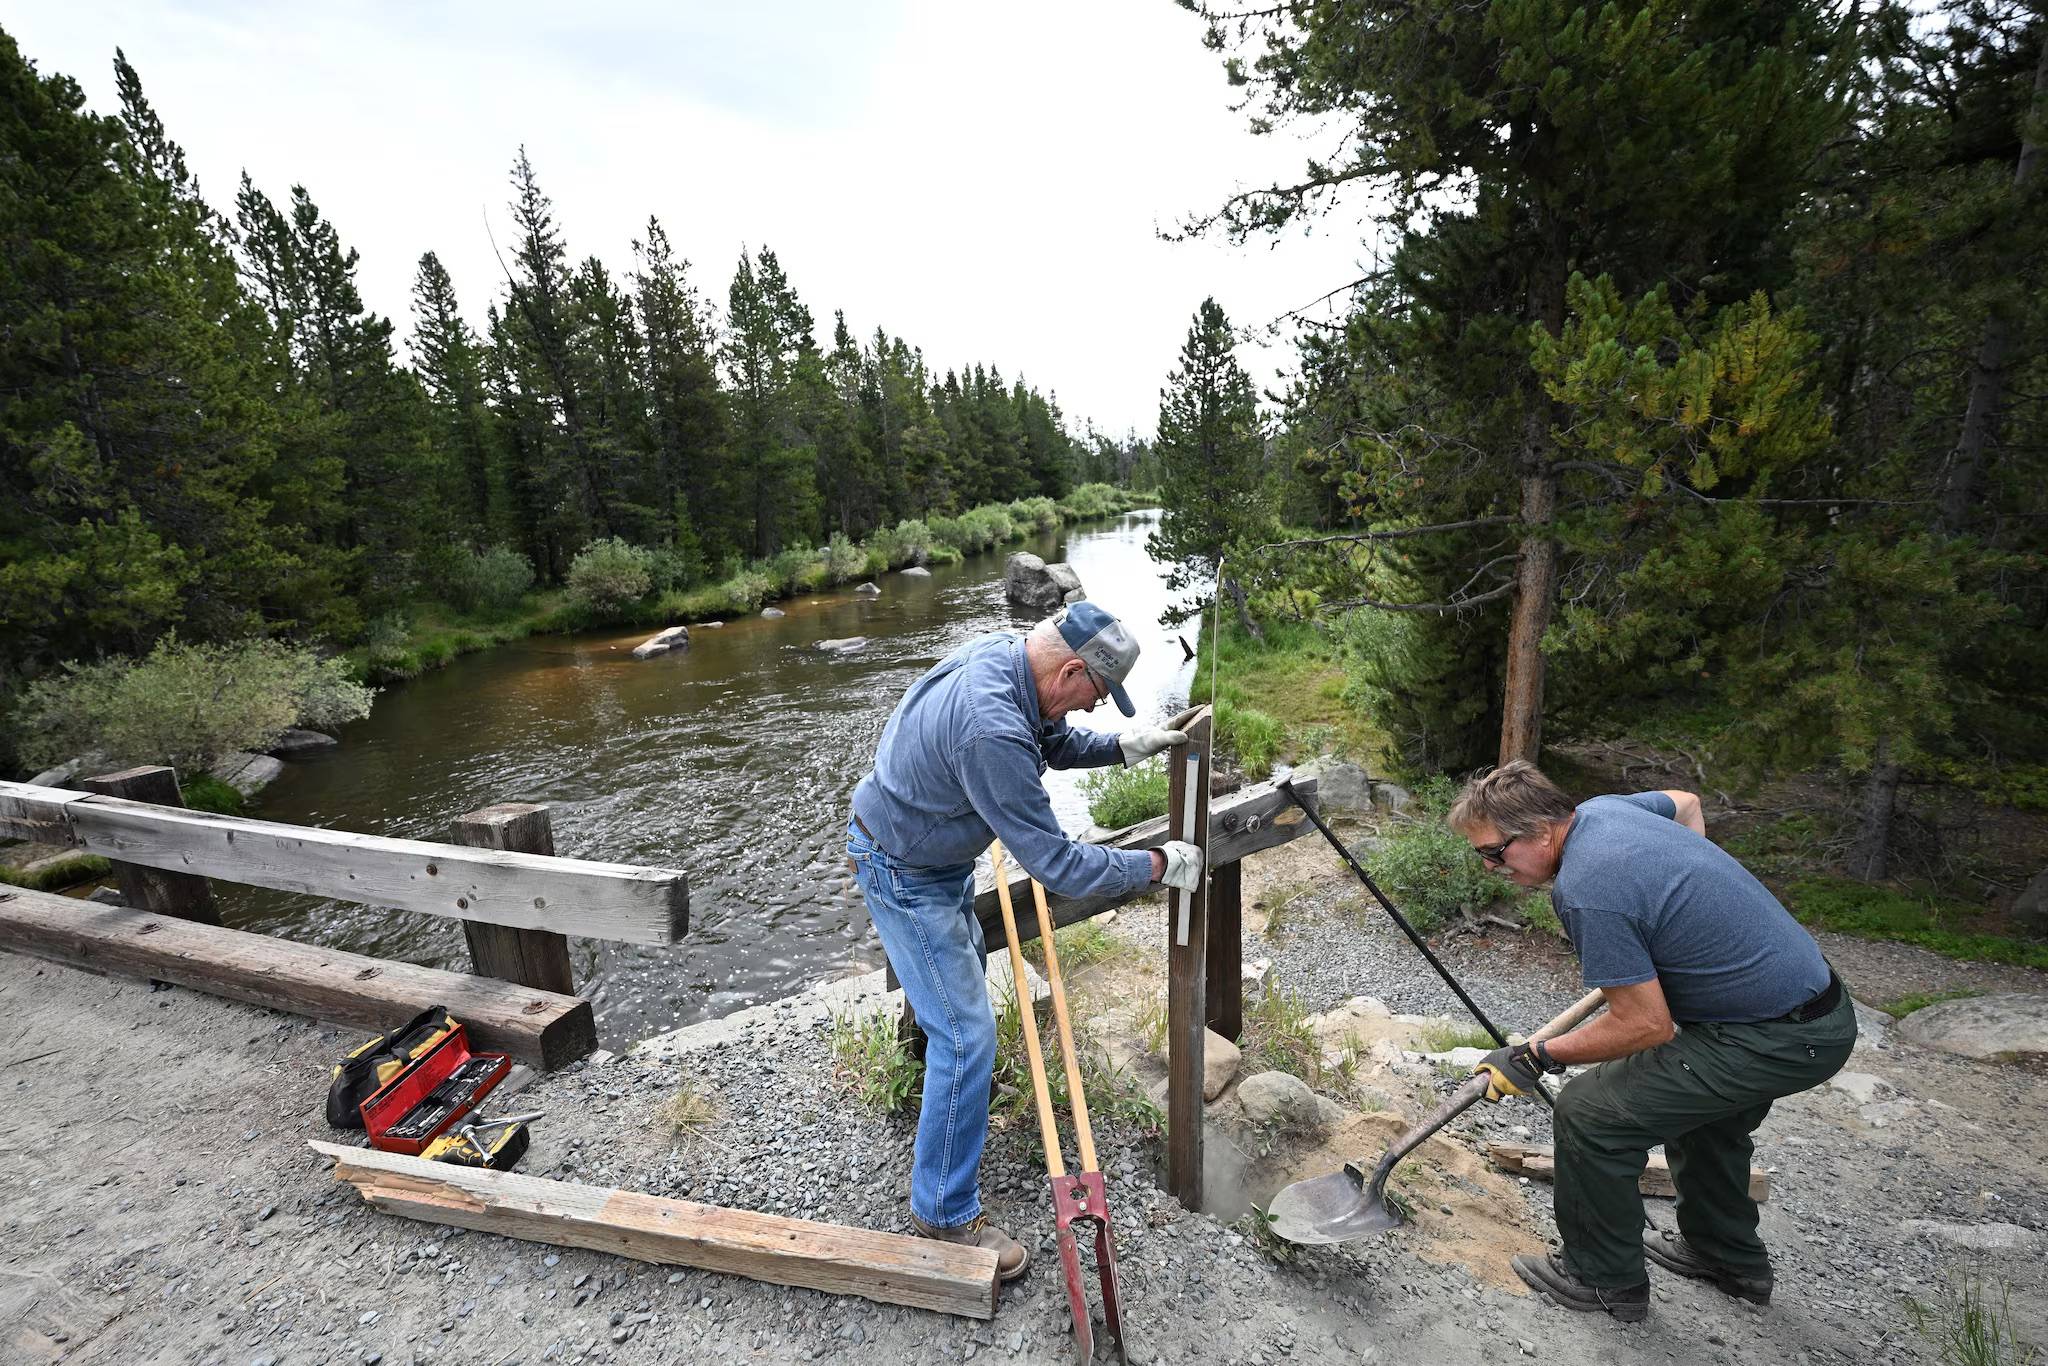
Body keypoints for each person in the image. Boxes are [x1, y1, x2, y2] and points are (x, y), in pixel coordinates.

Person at [847, 601, 1203, 1279]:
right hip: (904, 868)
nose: (1093, 710)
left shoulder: (1006, 658)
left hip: (929, 848)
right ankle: (943, 1216)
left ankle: (937, 1115)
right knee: (966, 1035)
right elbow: (1058, 865)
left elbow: (1046, 737)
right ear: (1069, 667)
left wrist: (1123, 749)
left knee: (952, 1010)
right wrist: (1156, 865)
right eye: (1094, 695)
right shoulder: (989, 728)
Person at [1451, 760, 1856, 1322]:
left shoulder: (1588, 889)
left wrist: (1539, 1055)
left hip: (1777, 1037)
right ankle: (1728, 1260)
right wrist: (1688, 900)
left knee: (1590, 1113)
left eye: (1495, 852)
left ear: (1543, 831)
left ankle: (1601, 1279)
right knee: (1702, 1114)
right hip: (1809, 1007)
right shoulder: (1604, 811)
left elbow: (1645, 1027)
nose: (1492, 866)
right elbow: (1687, 802)